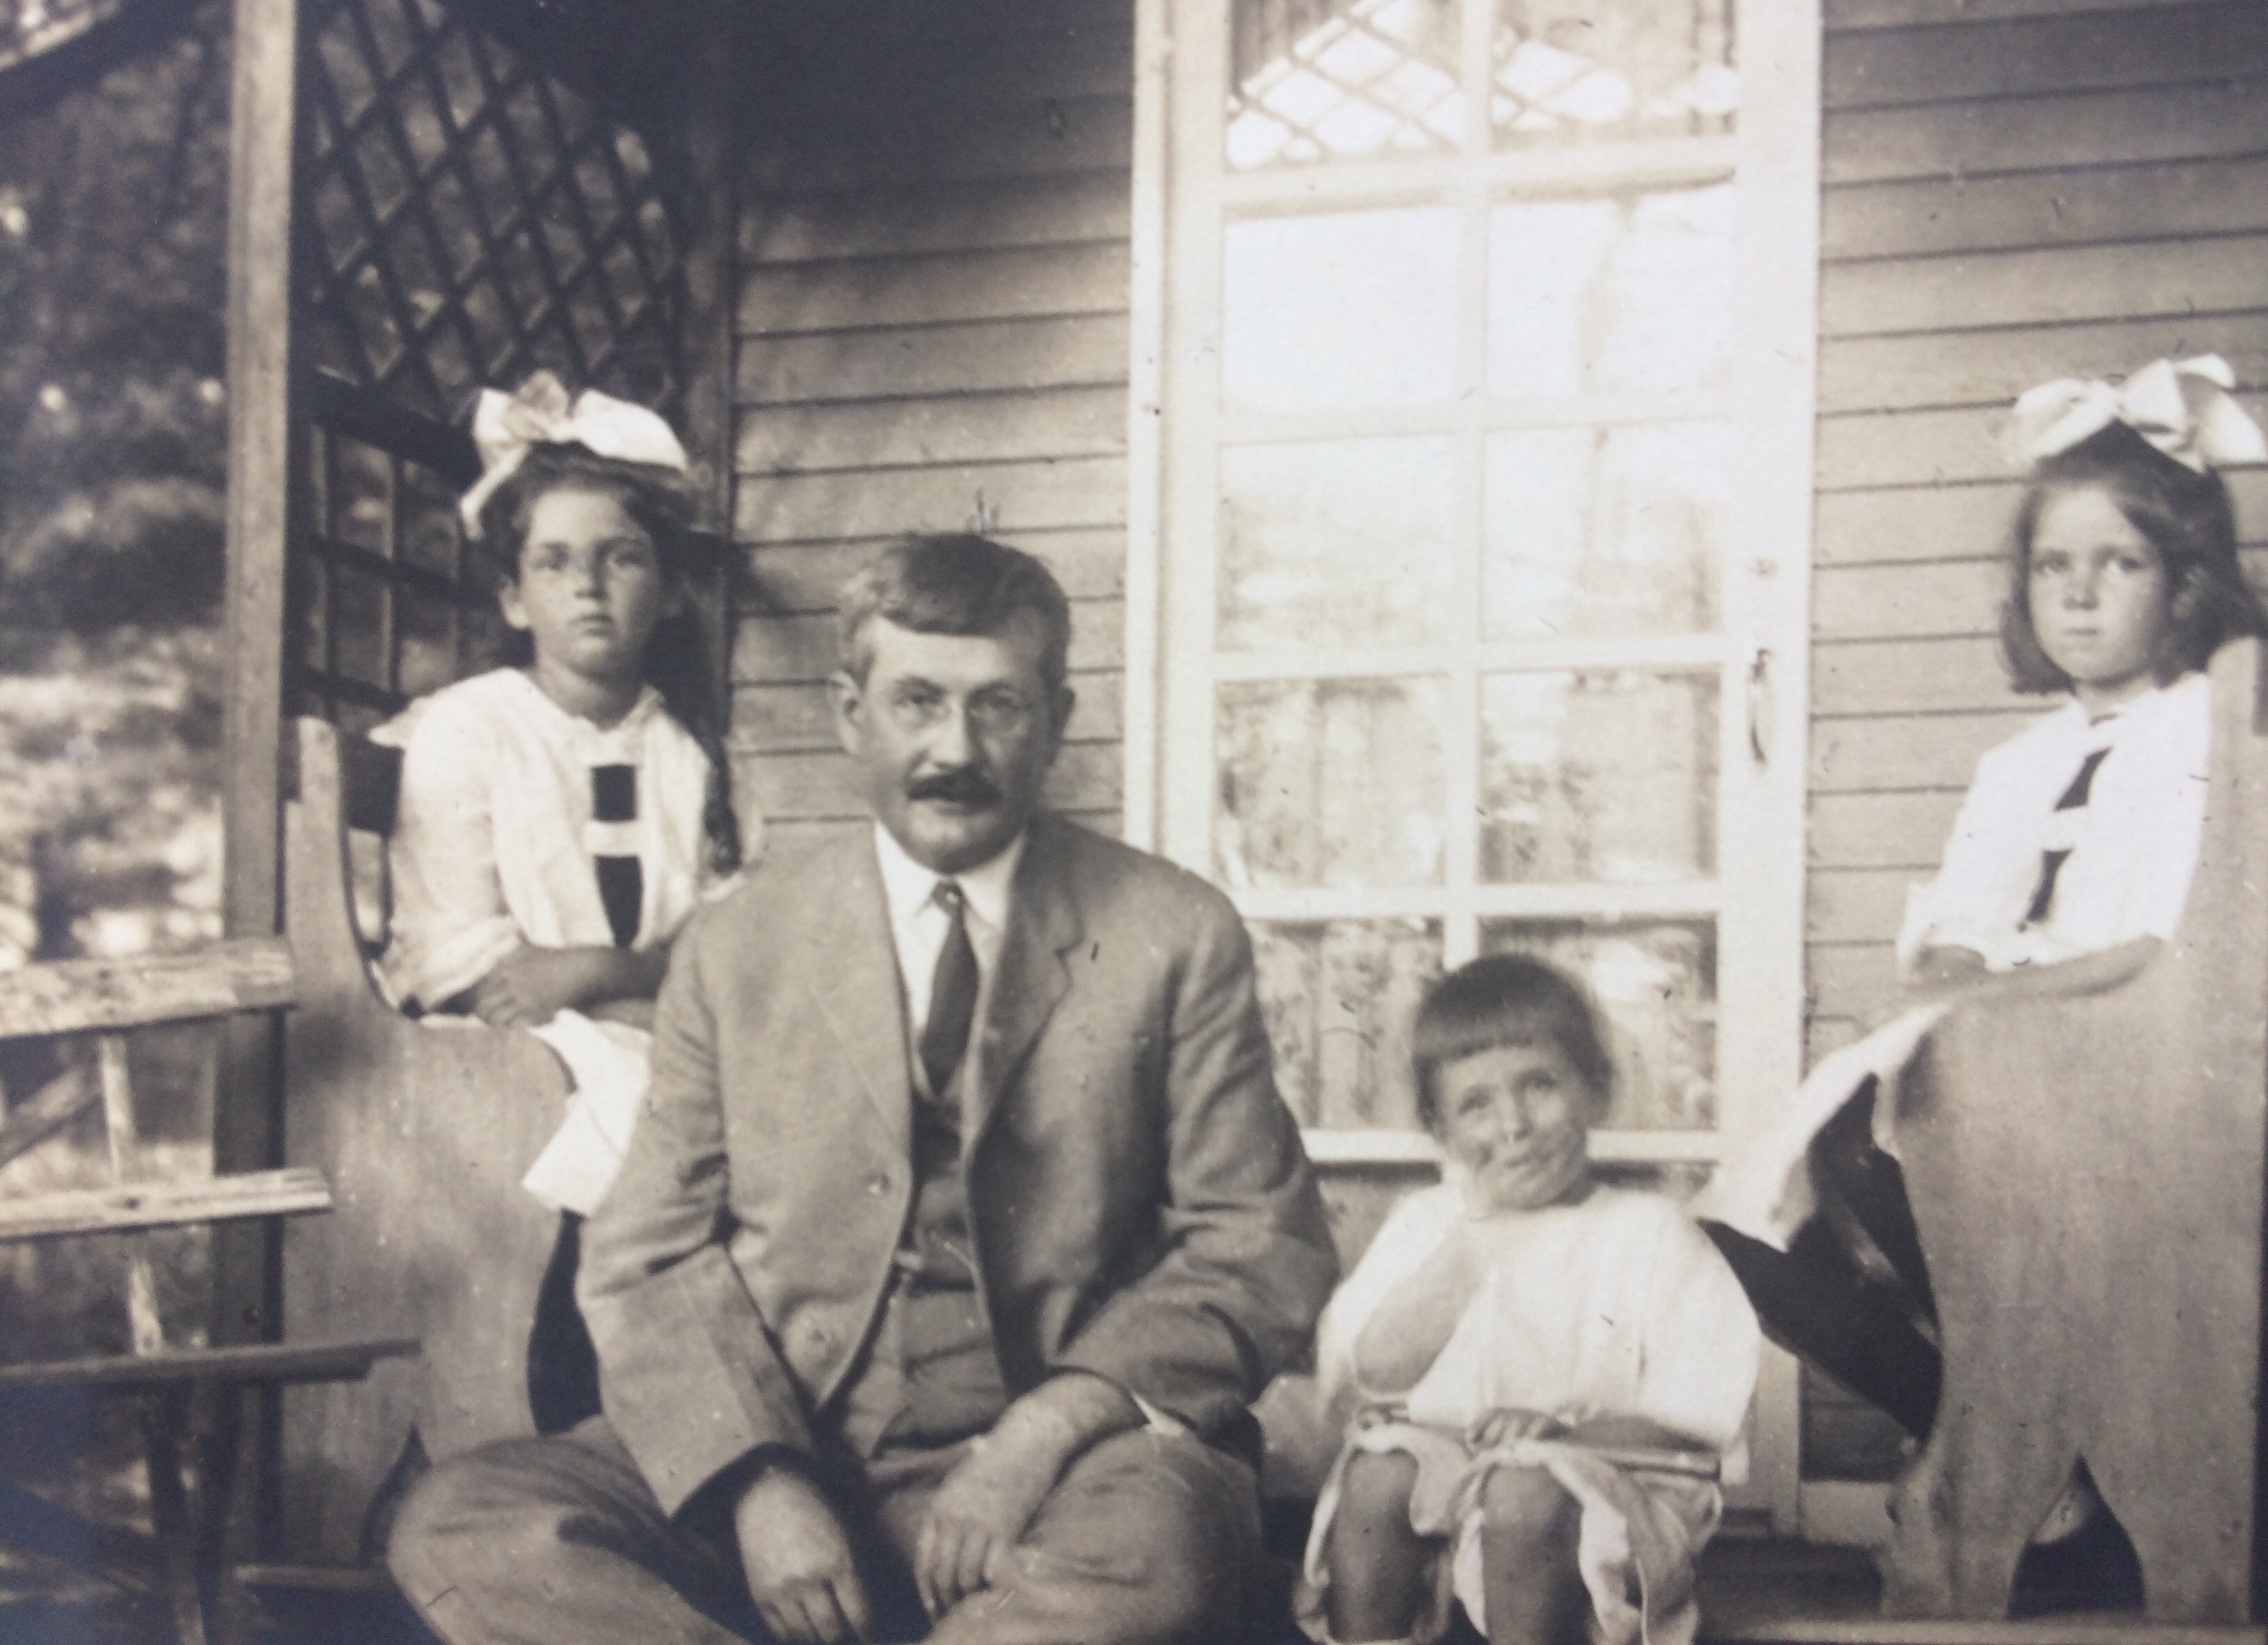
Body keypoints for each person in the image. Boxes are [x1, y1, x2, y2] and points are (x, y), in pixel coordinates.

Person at [384, 532, 1339, 1645]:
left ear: (1057, 721)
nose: (955, 749)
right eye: (917, 702)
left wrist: (1046, 1429)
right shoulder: (738, 946)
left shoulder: (1171, 932)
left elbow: (1261, 1244)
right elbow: (646, 1250)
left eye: (999, 706)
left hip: (1069, 1468)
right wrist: (756, 1478)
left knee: (1162, 1546)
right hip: (792, 1441)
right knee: (462, 1523)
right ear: (850, 714)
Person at [1698, 354, 2267, 1583]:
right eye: (2052, 566)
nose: (2078, 594)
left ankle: (2028, 1446)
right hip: (1988, 1048)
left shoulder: (2212, 735)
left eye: (2118, 564)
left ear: (2183, 584)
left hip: (2138, 1071)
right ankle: (2008, 1443)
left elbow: (2166, 940)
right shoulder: (2019, 765)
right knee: (1764, 1210)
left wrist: (1978, 997)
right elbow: (1959, 917)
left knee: (1890, 1148)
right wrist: (1948, 973)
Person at [378, 371, 746, 1432]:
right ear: (512, 597)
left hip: (651, 1032)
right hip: (491, 1046)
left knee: (732, 1105)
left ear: (666, 588)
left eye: (621, 558)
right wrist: (642, 991)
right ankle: (583, 1410)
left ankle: (690, 1420)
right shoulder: (470, 730)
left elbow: (732, 952)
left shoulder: (690, 750)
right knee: (633, 1109)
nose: (588, 587)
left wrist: (601, 971)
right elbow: (470, 965)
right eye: (554, 563)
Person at [1300, 956, 1759, 1645]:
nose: (1513, 1124)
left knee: (1523, 1491)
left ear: (1596, 1090)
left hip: (1613, 1486)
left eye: (1540, 1086)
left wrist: (1561, 1436)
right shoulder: (1431, 1223)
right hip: (1454, 1481)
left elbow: (1698, 1415)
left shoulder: (1648, 1231)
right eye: (1476, 1106)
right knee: (1377, 1478)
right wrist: (1473, 1241)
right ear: (1440, 1131)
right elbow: (1369, 1373)